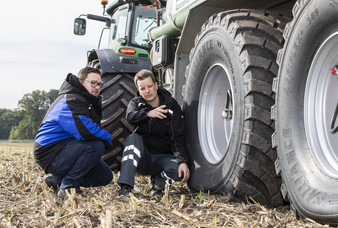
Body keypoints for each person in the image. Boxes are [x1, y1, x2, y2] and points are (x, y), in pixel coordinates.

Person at [33, 67, 113, 197]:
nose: (97, 87)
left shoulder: (83, 100)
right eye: (93, 83)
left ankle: (56, 180)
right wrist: (107, 138)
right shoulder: (70, 100)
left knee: (105, 176)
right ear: (81, 82)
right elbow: (85, 131)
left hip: (65, 148)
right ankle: (68, 188)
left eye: (99, 84)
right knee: (96, 146)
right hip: (49, 152)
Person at [117, 69, 190, 196]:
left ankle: (157, 183)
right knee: (133, 138)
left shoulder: (171, 106)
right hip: (143, 158)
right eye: (142, 88)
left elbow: (178, 135)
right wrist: (148, 113)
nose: (147, 91)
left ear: (156, 85)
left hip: (163, 157)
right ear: (139, 90)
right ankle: (125, 187)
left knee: (180, 172)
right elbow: (130, 117)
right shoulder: (136, 103)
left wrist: (182, 161)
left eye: (150, 86)